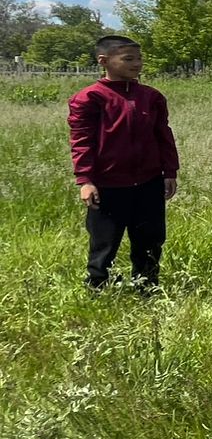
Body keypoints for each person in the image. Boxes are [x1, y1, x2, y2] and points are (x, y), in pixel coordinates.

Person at [68, 35, 179, 291]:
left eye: (139, 58)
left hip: (149, 182)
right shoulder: (89, 98)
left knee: (150, 239)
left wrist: (169, 171)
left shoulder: (151, 97)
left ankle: (147, 286)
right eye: (128, 59)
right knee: (104, 241)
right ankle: (97, 288)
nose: (137, 64)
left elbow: (163, 135)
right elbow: (81, 141)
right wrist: (85, 180)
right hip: (108, 185)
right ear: (104, 61)